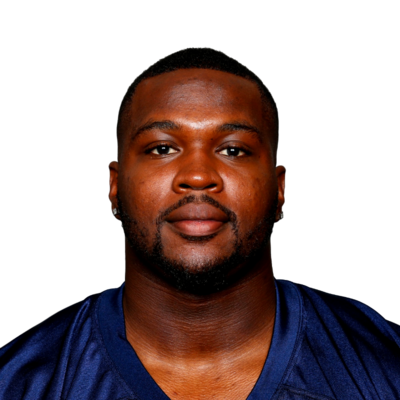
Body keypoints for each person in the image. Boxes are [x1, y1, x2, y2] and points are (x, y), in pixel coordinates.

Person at [0, 46, 399, 400]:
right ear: (113, 186)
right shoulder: (22, 378)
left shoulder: (380, 361)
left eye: (233, 149)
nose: (196, 175)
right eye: (161, 148)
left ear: (280, 190)